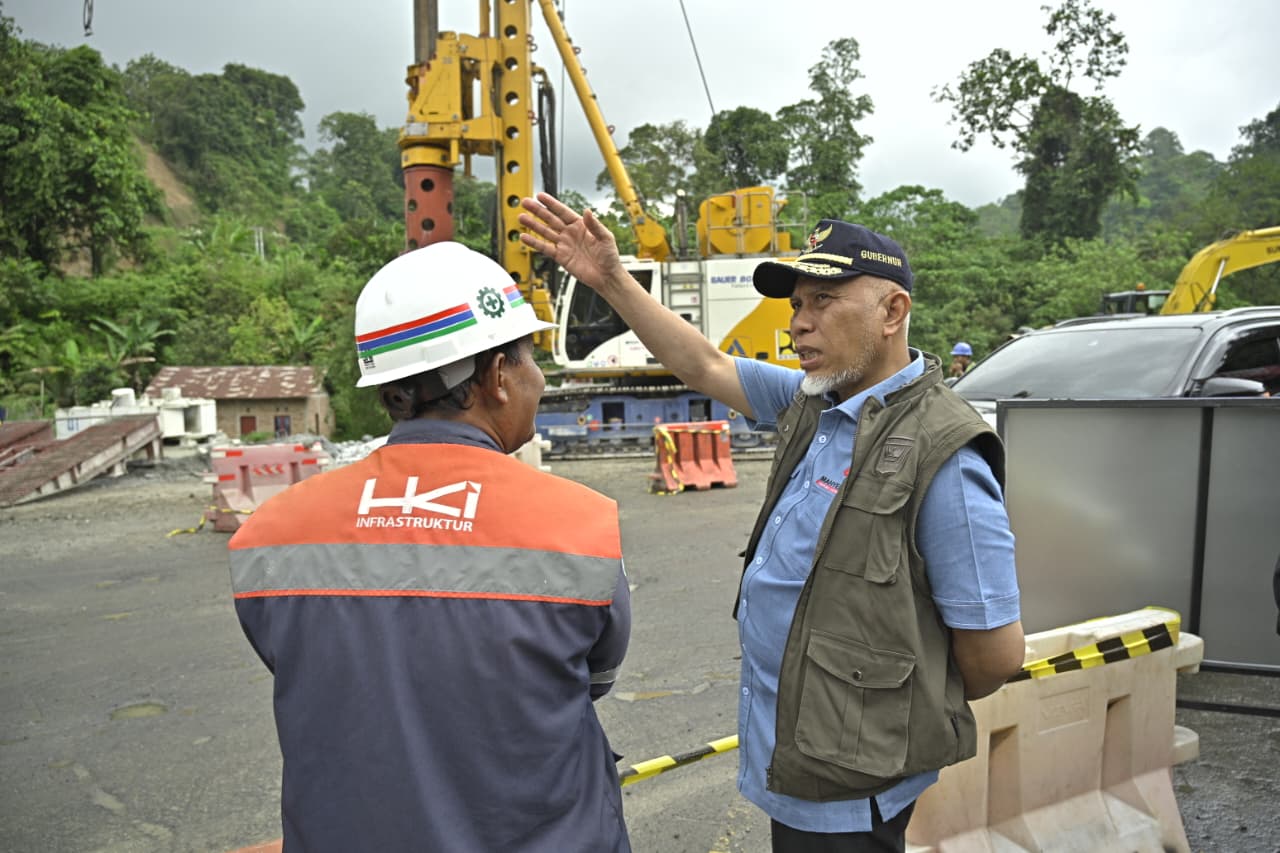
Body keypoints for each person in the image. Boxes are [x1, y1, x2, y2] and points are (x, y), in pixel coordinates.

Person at [519, 194, 1024, 853]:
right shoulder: (813, 403)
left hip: (850, 784)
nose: (799, 325)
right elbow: (705, 365)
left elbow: (993, 654)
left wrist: (880, 713)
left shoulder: (942, 452)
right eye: (795, 305)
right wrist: (613, 280)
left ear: (892, 310)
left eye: (822, 302)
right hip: (796, 755)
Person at [228, 242, 632, 853]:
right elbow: (591, 679)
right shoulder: (582, 526)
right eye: (529, 359)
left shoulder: (269, 532)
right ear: (497, 377)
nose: (539, 378)